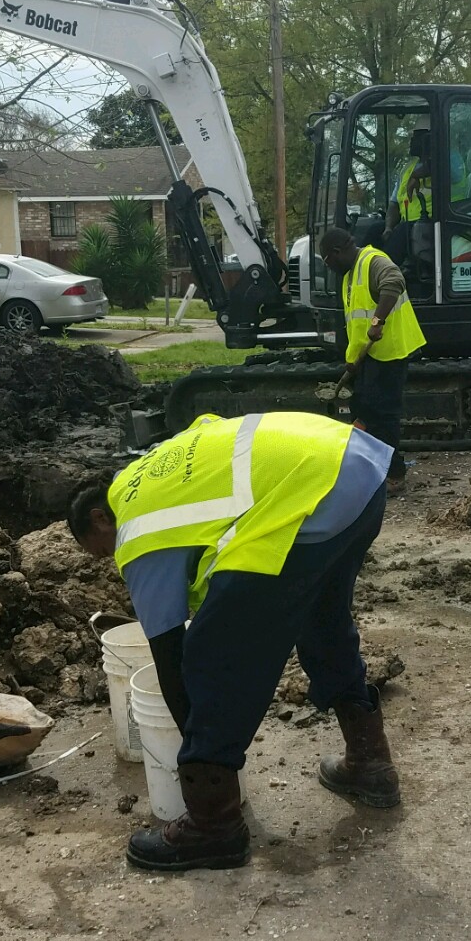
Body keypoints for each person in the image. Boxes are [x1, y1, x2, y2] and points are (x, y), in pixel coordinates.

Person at [67, 411, 401, 873]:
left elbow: (168, 652)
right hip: (357, 471)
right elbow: (213, 428)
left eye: (102, 548)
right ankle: (371, 764)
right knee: (323, 622)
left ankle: (213, 826)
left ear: (101, 518)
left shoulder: (138, 531)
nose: (111, 559)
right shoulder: (152, 466)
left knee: (209, 653)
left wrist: (201, 756)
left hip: (310, 491)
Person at [319, 226, 423, 491]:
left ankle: (394, 475)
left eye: (327, 261)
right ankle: (368, 467)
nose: (328, 267)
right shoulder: (350, 275)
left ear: (336, 252)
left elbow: (394, 282)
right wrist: (352, 361)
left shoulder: (373, 261)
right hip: (370, 357)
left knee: (383, 416)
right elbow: (356, 325)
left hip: (390, 353)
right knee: (363, 410)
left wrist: (378, 321)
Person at [386, 127, 436, 281]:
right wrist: (388, 227)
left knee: (403, 232)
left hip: (438, 223)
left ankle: (385, 277)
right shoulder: (408, 168)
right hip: (411, 225)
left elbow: (440, 166)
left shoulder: (450, 158)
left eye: (416, 138)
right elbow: (394, 204)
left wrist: (417, 175)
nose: (411, 142)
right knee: (374, 229)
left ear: (428, 139)